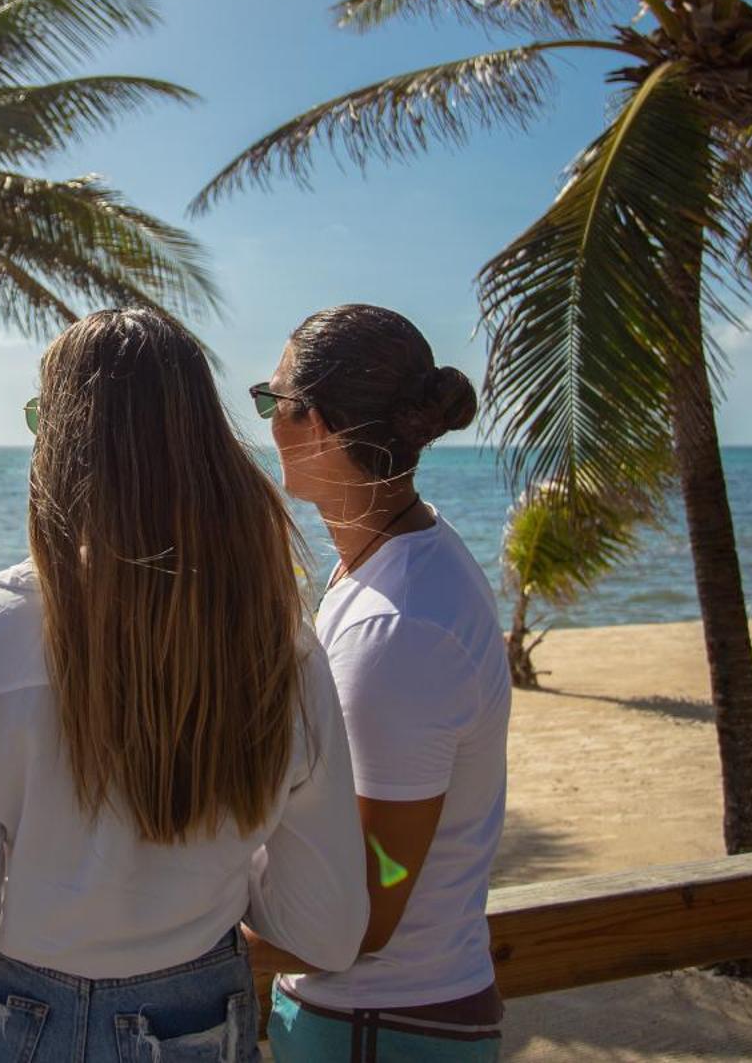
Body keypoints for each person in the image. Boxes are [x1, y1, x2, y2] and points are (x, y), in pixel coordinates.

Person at [0, 307, 368, 1062]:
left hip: (8, 1027)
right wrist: (217, 858)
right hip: (194, 1027)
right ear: (203, 443)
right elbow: (327, 928)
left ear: (63, 442)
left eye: (44, 416)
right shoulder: (282, 649)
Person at [250, 303, 511, 1061]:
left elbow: (364, 909)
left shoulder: (397, 629)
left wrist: (197, 903)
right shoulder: (396, 562)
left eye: (272, 400)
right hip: (386, 1018)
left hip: (380, 1026)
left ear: (319, 423)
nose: (266, 421)